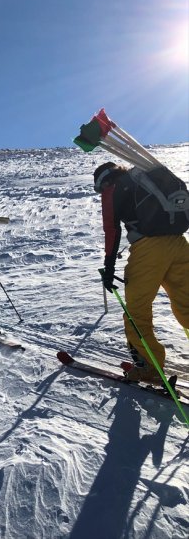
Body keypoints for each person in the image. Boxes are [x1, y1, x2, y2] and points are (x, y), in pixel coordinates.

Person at [93, 161, 189, 383]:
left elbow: (112, 229)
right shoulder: (143, 179)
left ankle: (149, 367)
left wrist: (109, 268)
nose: (101, 192)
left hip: (148, 250)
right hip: (179, 243)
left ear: (104, 180)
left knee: (137, 311)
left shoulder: (113, 189)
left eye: (99, 188)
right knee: (186, 303)